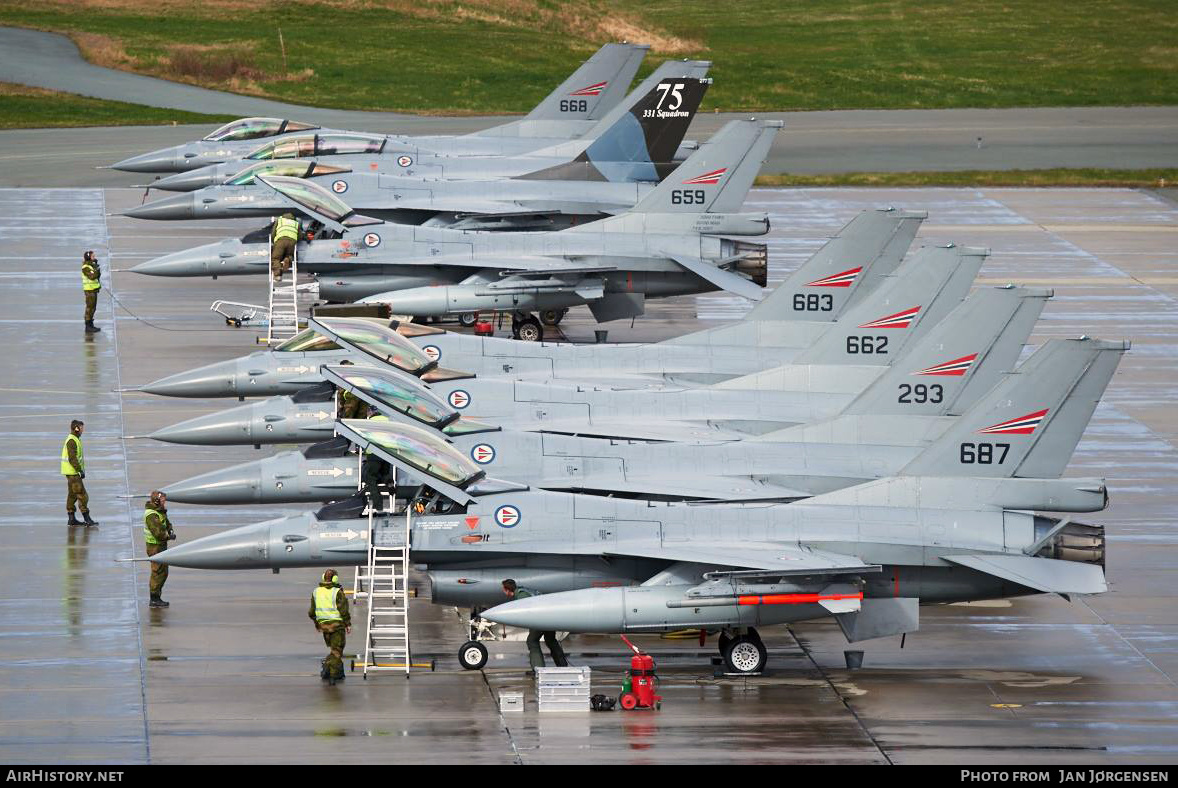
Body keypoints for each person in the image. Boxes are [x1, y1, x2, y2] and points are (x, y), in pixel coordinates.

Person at [502, 579, 568, 673]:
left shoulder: (521, 595)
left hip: (540, 619)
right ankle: (563, 666)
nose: (503, 592)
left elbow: (528, 611)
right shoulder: (523, 591)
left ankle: (538, 669)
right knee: (550, 640)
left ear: (507, 589)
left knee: (532, 641)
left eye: (503, 589)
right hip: (548, 617)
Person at [309, 569, 351, 684]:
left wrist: (317, 623)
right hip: (337, 626)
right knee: (337, 652)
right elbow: (344, 610)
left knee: (333, 651)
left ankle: (327, 669)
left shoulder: (316, 592)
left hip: (324, 627)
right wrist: (348, 624)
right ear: (335, 579)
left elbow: (311, 612)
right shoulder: (337, 592)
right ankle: (332, 675)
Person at [61, 419, 98, 527]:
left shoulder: (75, 439)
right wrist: (79, 470)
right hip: (73, 473)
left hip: (71, 472)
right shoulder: (72, 441)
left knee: (72, 495)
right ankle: (87, 518)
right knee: (82, 495)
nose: (83, 430)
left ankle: (71, 518)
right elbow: (72, 458)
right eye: (81, 428)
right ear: (77, 428)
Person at [143, 490, 177, 608]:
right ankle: (154, 598)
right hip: (155, 547)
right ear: (157, 501)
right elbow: (158, 532)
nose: (165, 503)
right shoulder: (151, 515)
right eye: (163, 500)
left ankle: (157, 596)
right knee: (157, 572)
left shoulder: (160, 512)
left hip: (161, 546)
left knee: (164, 572)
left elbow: (167, 523)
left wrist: (170, 529)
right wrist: (168, 536)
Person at [360, 407, 394, 508]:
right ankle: (390, 486)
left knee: (370, 478)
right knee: (385, 474)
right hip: (387, 453)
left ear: (370, 412)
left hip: (374, 454)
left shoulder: (369, 422)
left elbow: (364, 438)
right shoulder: (388, 420)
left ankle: (378, 504)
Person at [270, 212, 300, 282]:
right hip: (292, 241)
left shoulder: (280, 220)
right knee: (290, 255)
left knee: (275, 258)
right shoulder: (296, 223)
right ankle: (288, 259)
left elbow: (273, 232)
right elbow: (300, 236)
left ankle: (277, 275)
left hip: (281, 240)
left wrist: (274, 242)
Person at [81, 250, 101, 334]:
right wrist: (96, 269)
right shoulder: (86, 267)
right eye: (93, 256)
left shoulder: (92, 266)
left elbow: (97, 275)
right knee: (89, 308)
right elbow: (92, 276)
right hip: (89, 290)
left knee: (93, 308)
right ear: (89, 257)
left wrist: (95, 267)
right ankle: (88, 326)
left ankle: (91, 324)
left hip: (93, 290)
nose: (94, 257)